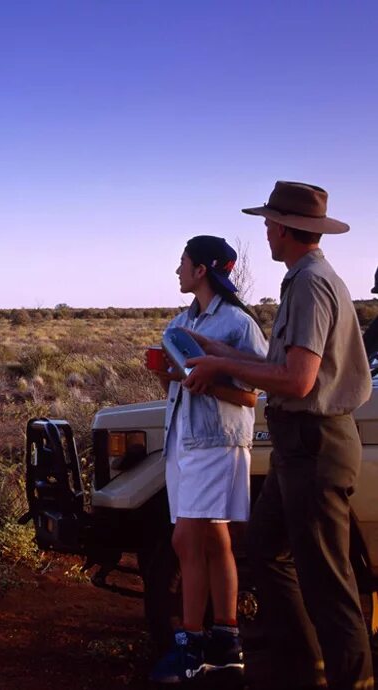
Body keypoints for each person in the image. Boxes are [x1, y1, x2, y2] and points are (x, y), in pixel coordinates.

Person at [182, 181, 373, 690]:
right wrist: (213, 347)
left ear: (286, 228)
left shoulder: (311, 284)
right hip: (297, 447)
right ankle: (303, 669)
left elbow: (299, 381)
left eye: (269, 223)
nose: (265, 231)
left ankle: (351, 680)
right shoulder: (301, 279)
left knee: (329, 585)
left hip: (314, 445)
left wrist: (221, 362)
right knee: (267, 551)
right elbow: (279, 364)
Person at [148, 236, 267, 684]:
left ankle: (192, 647)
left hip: (217, 443)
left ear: (201, 269)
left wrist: (208, 384)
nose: (177, 270)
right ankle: (226, 641)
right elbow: (177, 387)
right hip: (183, 438)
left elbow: (252, 395)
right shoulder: (181, 322)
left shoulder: (237, 324)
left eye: (182, 262)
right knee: (214, 540)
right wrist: (167, 377)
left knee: (186, 541)